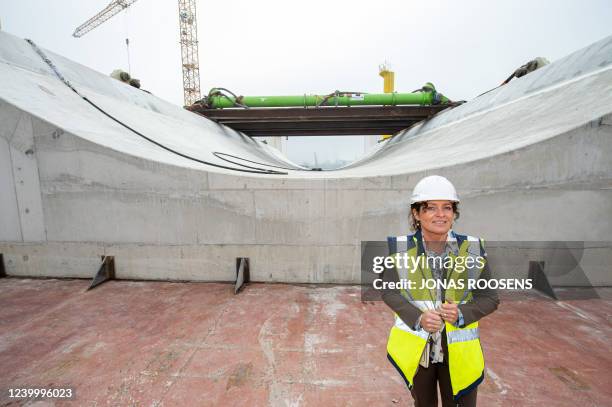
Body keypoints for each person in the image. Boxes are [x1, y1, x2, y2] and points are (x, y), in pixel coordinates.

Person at [381, 175, 499, 406]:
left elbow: (490, 298)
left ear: (454, 213)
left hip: (459, 352)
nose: (440, 214)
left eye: (447, 207)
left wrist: (462, 313)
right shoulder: (401, 248)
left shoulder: (472, 249)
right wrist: (419, 318)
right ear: (416, 213)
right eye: (431, 208)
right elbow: (389, 291)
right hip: (419, 350)